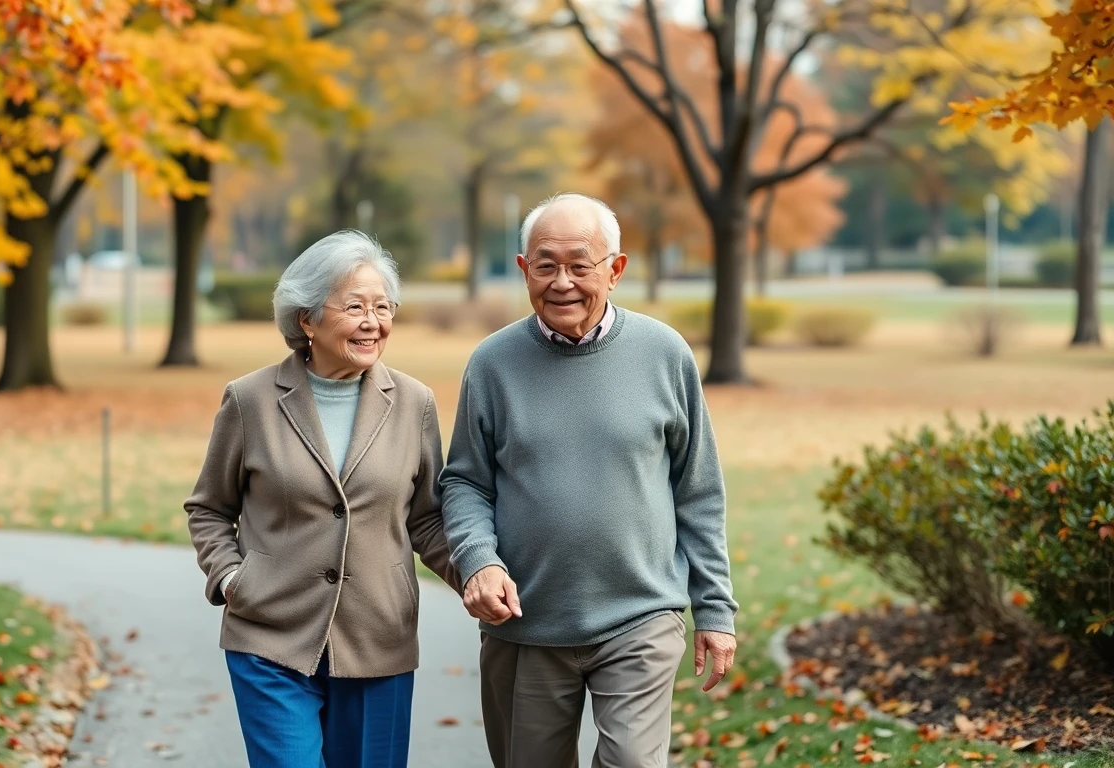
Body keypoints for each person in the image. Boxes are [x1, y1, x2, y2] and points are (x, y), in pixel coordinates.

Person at [440, 193, 739, 767]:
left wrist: (715, 610)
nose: (563, 283)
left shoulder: (664, 354)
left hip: (640, 613)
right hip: (525, 622)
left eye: (581, 265)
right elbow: (465, 482)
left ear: (616, 270)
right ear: (525, 270)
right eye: (546, 265)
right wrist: (478, 559)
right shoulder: (492, 363)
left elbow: (697, 491)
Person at [184, 230, 460, 768]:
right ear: (306, 319)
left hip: (378, 639)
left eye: (383, 307)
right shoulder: (250, 400)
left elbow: (428, 519)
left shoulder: (414, 404)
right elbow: (210, 508)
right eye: (355, 306)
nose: (372, 321)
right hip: (270, 637)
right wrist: (231, 578)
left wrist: (478, 576)